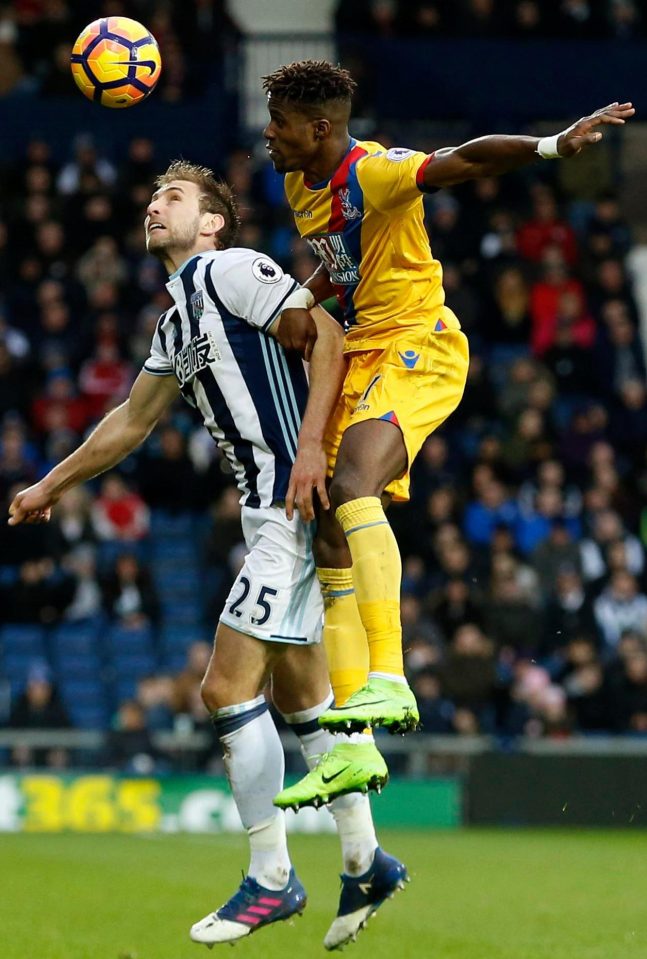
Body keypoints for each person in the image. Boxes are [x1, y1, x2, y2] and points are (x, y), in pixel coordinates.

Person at [7, 160, 404, 950]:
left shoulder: (228, 270)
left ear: (215, 222)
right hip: (267, 512)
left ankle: (270, 875)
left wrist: (308, 454)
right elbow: (129, 421)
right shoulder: (177, 318)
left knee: (224, 687)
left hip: (289, 507)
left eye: (176, 198)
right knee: (300, 695)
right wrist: (48, 483)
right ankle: (364, 858)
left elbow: (322, 336)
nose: (156, 206)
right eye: (152, 197)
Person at [260, 58, 634, 803]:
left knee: (353, 485)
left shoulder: (374, 171)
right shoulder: (299, 184)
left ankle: (390, 677)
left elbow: (463, 159)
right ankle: (353, 747)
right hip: (364, 349)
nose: (267, 135)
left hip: (418, 343)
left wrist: (552, 147)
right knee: (326, 527)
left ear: (320, 127)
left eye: (279, 123)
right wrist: (297, 300)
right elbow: (344, 266)